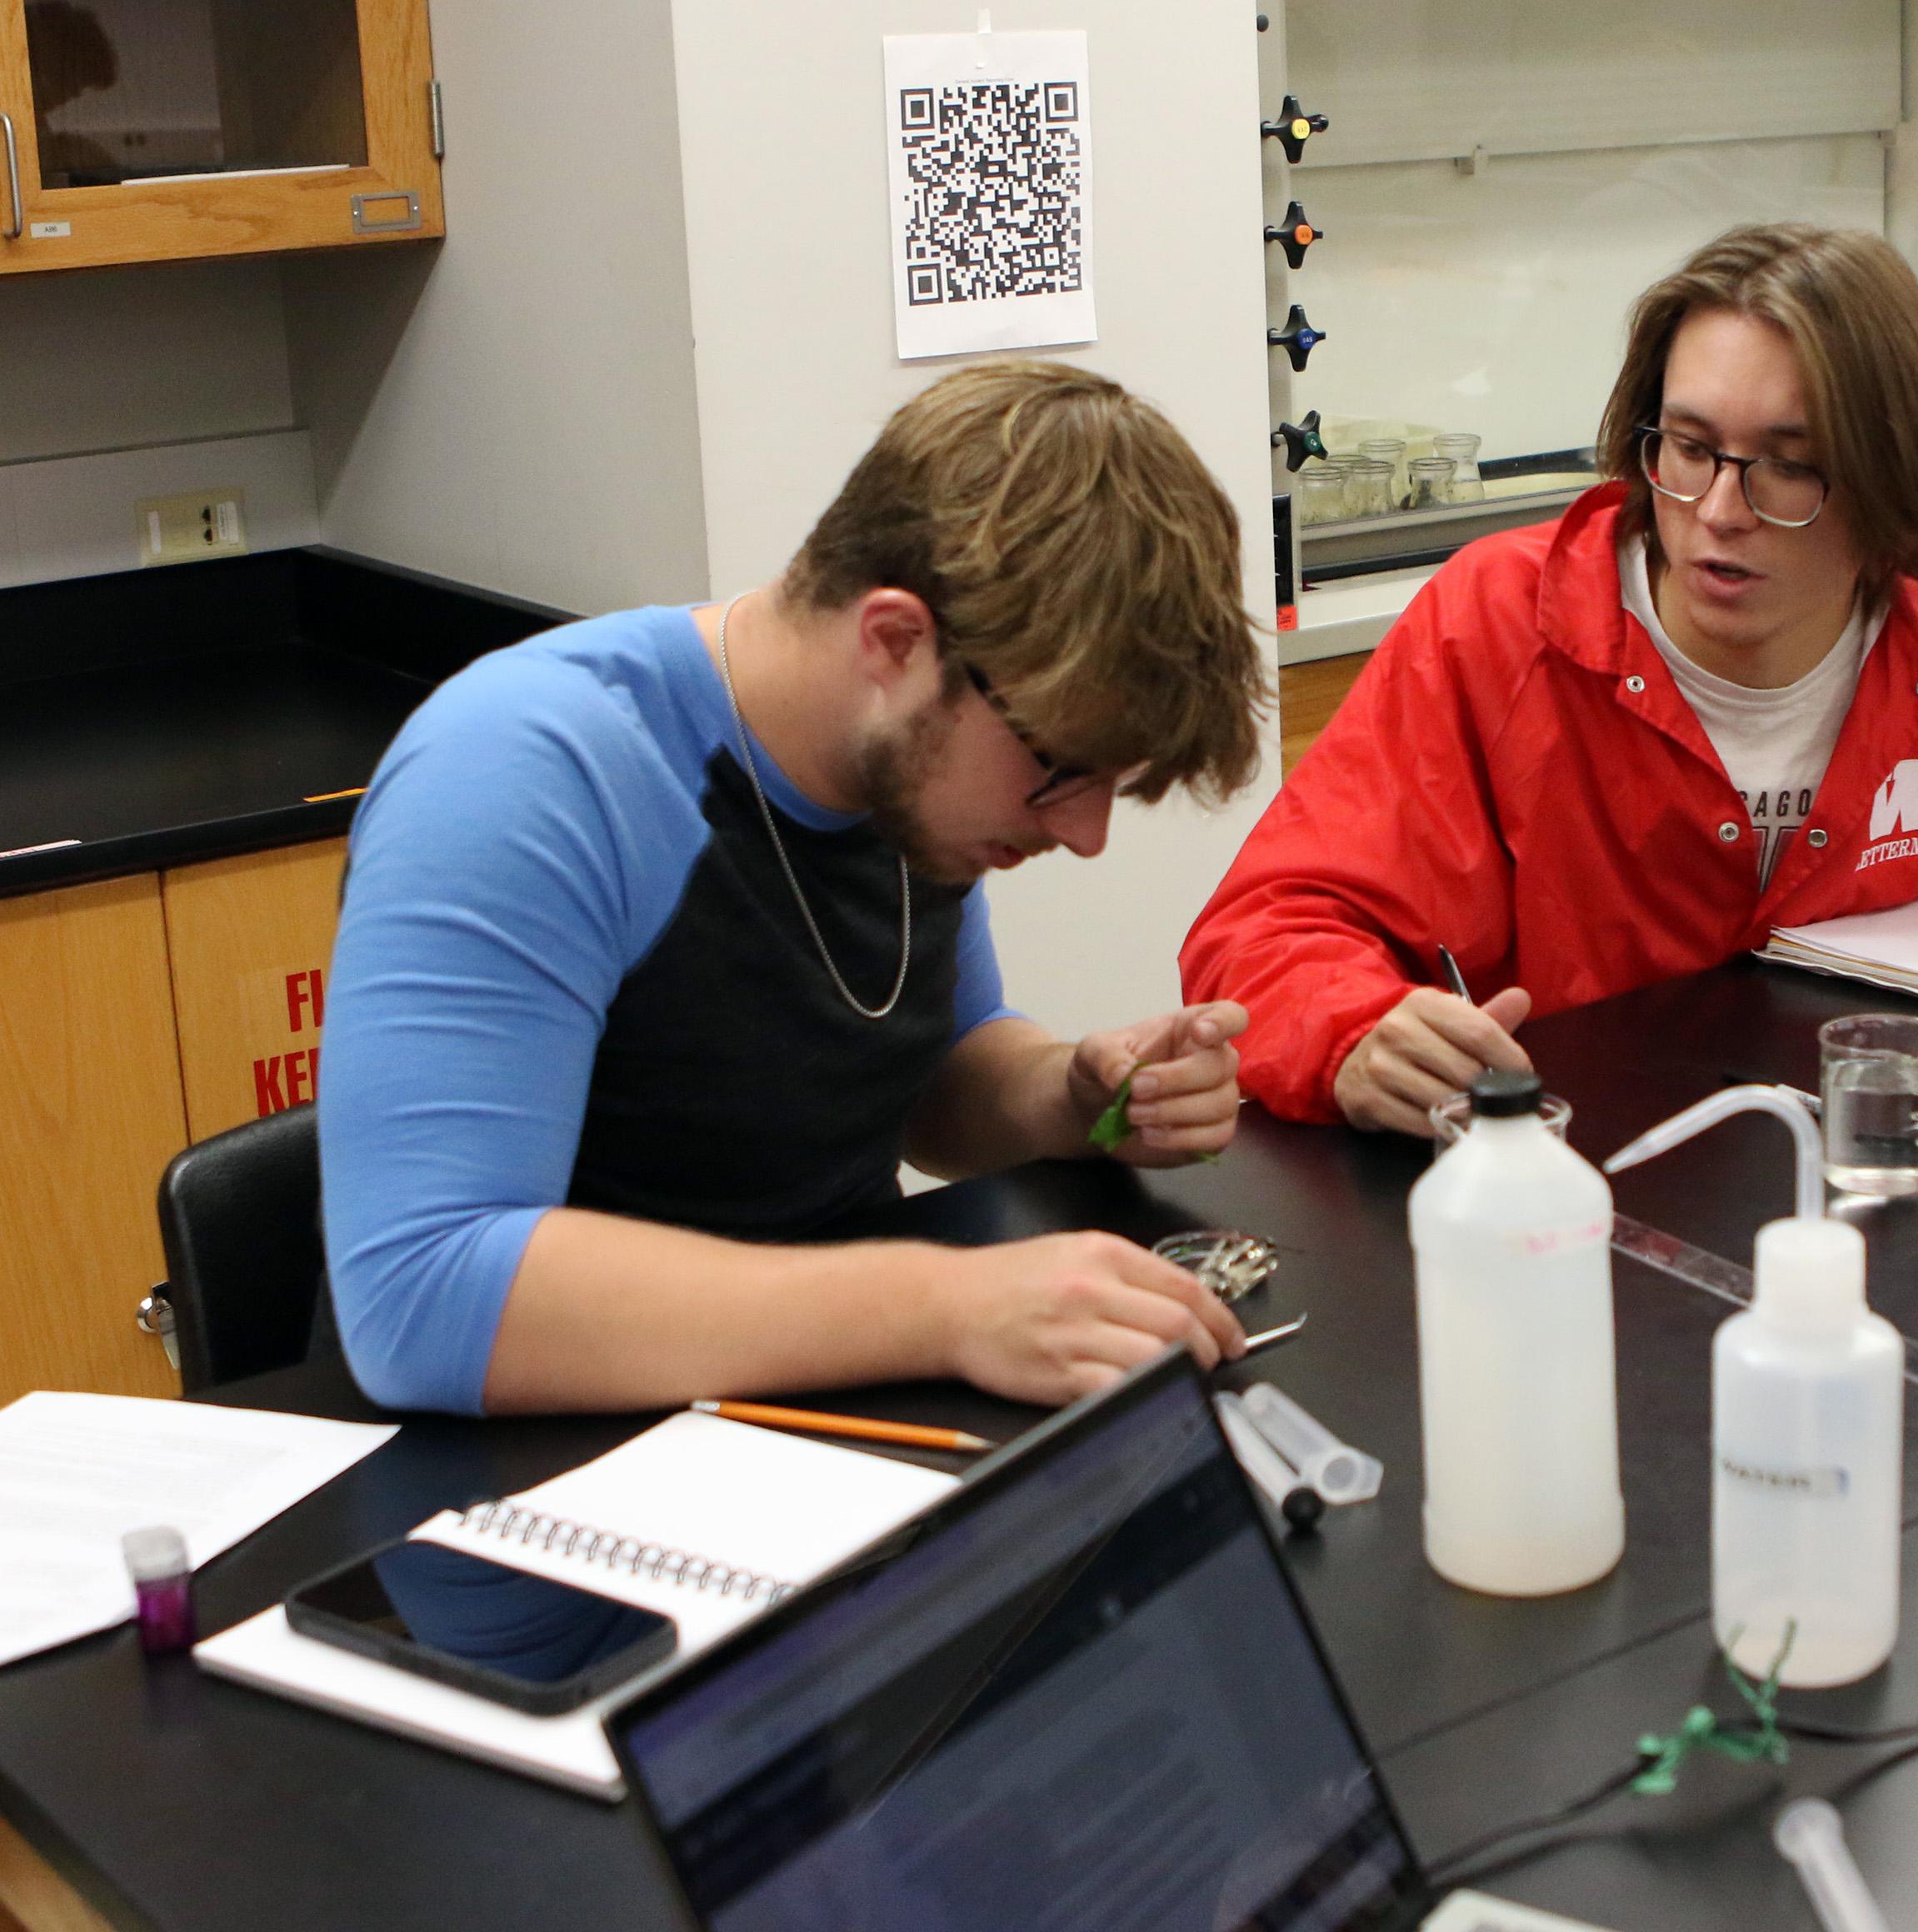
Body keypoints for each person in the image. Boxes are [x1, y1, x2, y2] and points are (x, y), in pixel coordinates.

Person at [1182, 224, 1918, 1134]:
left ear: (1890, 482)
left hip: (1874, 1173)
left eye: (1790, 467)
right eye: (1689, 447)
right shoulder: (1501, 628)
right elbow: (1267, 930)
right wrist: (1354, 1032)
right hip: (1569, 1187)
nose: (1718, 511)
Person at [320, 362, 1270, 1415]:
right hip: (529, 1455)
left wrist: (1067, 1097)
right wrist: (945, 1307)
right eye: (1061, 769)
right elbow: (421, 1296)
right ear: (896, 641)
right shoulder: (525, 771)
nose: (1084, 835)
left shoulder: (899, 773)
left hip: (800, 1404)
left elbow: (927, 1085)